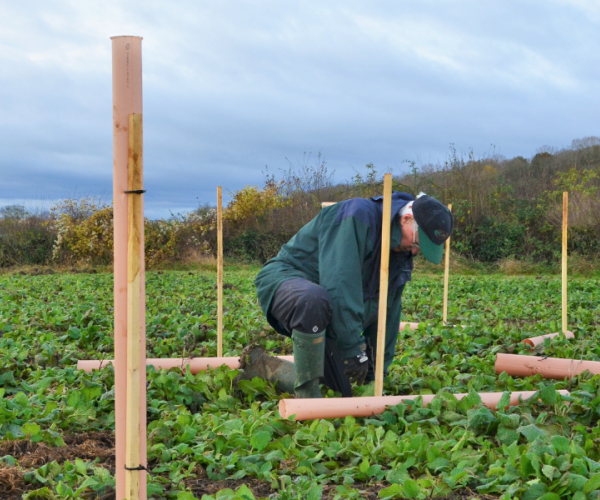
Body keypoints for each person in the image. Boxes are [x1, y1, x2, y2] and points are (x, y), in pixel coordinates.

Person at [237, 191, 453, 398]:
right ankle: (308, 397)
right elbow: (340, 287)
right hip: (289, 282)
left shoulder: (399, 252)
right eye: (416, 243)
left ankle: (262, 367)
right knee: (313, 299)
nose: (415, 251)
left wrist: (377, 372)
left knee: (340, 392)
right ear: (406, 219)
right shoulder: (357, 216)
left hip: (328, 304)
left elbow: (387, 312)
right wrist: (352, 349)